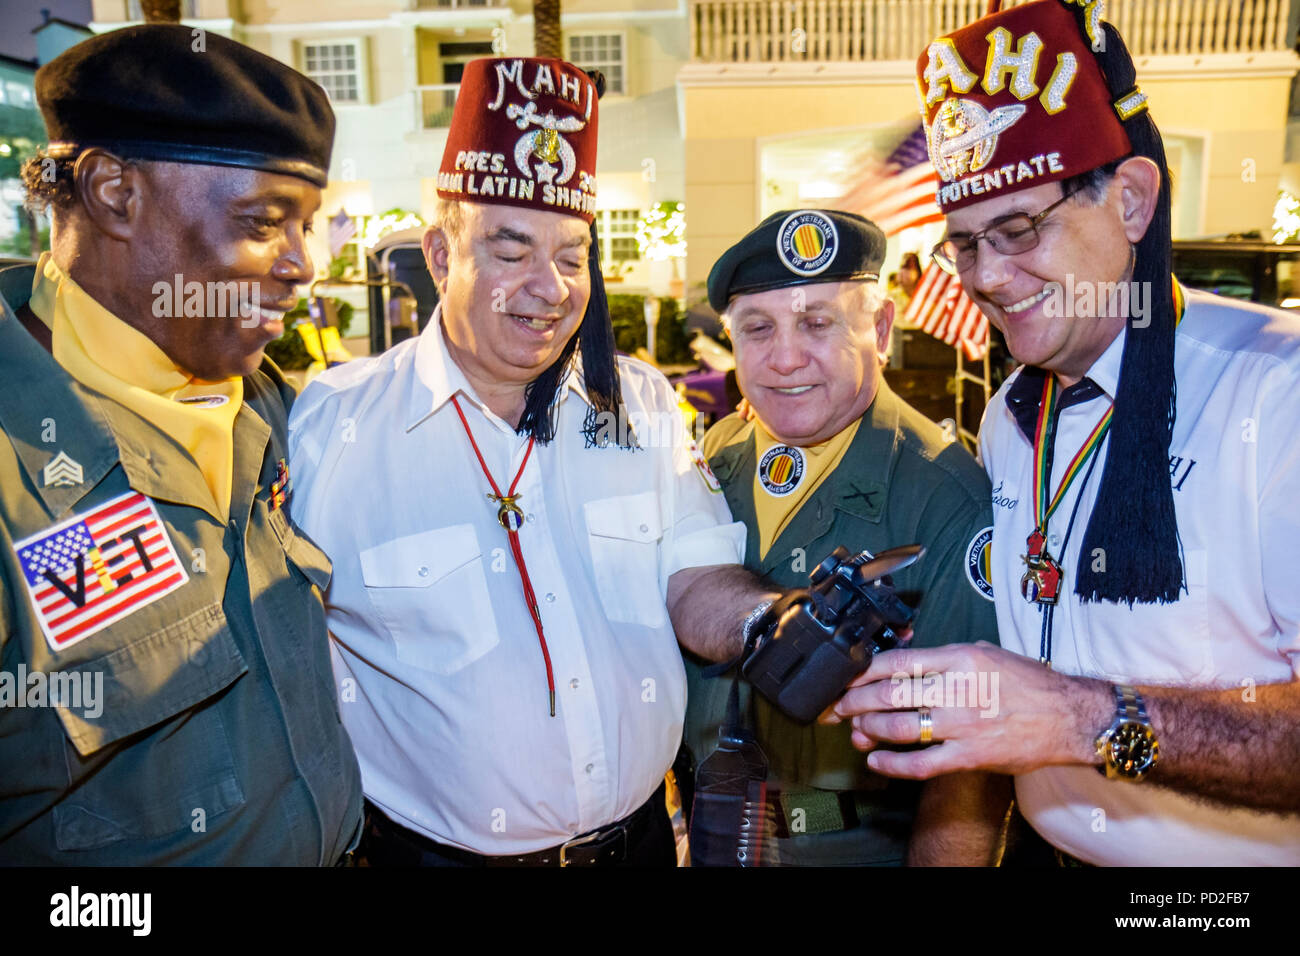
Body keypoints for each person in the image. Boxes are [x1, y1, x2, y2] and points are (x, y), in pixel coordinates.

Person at [832, 0, 1300, 865]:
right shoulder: (1012, 414)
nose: (988, 278)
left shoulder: (1277, 393)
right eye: (966, 245)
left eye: (1018, 231)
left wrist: (1084, 719)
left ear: (1131, 199)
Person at [288, 56, 785, 867]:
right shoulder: (331, 429)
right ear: (442, 256)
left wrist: (774, 624)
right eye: (510, 250)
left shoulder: (639, 402)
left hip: (640, 849)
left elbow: (693, 579)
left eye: (571, 254)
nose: (549, 288)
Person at [0, 25, 363, 864]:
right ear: (114, 193)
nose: (304, 265)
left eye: (306, 226)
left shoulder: (262, 403)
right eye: (265, 221)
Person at [683, 209, 1010, 866]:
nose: (783, 358)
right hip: (712, 828)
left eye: (817, 323)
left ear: (881, 328)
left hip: (841, 844)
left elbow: (972, 770)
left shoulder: (944, 499)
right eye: (757, 329)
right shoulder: (717, 453)